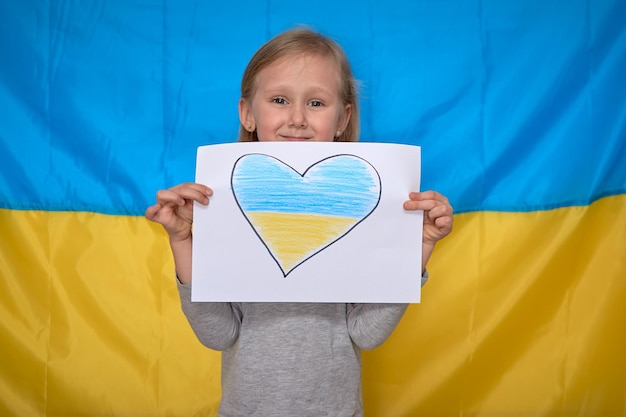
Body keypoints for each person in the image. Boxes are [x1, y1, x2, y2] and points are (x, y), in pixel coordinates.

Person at [146, 28, 453, 417]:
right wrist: (183, 241)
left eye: (316, 102)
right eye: (279, 100)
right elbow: (217, 333)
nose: (296, 118)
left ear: (342, 119)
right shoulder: (225, 208)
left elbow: (367, 334)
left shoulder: (360, 212)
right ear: (248, 114)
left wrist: (420, 244)